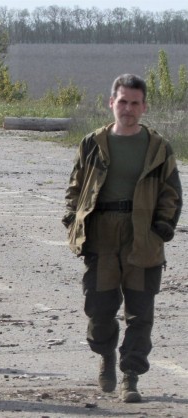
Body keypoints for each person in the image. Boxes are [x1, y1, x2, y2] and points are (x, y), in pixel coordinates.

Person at [63, 73, 182, 403]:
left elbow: (172, 193)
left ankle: (131, 375)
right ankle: (105, 356)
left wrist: (161, 229)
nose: (127, 108)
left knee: (140, 313)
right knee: (99, 310)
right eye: (122, 101)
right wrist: (73, 218)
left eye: (134, 103)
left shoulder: (158, 148)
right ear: (110, 102)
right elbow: (75, 186)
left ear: (144, 107)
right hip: (102, 234)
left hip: (143, 237)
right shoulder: (92, 143)